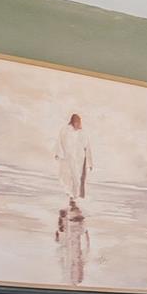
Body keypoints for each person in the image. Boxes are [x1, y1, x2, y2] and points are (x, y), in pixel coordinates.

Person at [54, 112, 91, 284]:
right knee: (67, 178)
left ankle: (73, 198)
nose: (79, 124)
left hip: (78, 160)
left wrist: (89, 161)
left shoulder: (83, 134)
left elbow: (88, 147)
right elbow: (58, 144)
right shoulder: (65, 131)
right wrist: (59, 154)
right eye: (78, 121)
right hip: (67, 159)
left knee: (77, 179)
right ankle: (70, 197)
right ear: (73, 121)